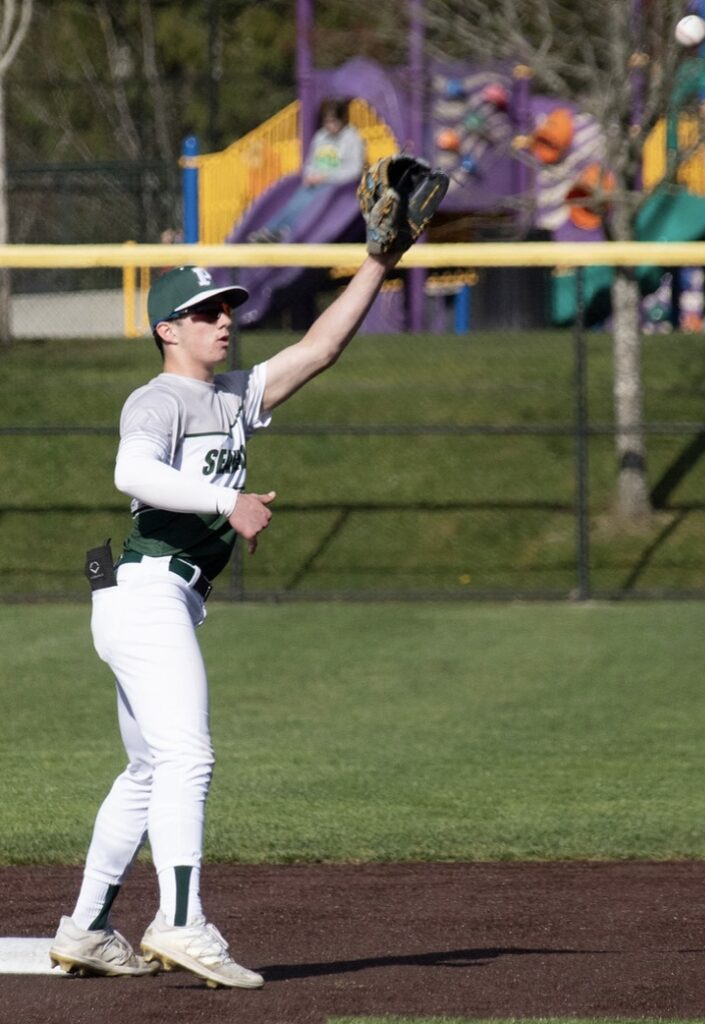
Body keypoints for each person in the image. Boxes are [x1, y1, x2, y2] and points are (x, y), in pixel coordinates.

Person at [48, 250, 401, 989]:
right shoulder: (158, 398)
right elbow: (132, 474)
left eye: (227, 308)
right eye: (206, 312)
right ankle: (180, 922)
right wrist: (225, 502)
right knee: (187, 758)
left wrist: (378, 261)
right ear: (166, 329)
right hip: (145, 593)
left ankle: (86, 929)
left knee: (150, 769)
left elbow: (320, 348)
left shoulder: (234, 396)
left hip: (146, 597)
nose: (224, 321)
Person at [248, 98, 365, 243]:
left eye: (334, 121)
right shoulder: (321, 137)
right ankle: (272, 229)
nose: (331, 125)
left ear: (342, 120)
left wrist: (326, 177)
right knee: (297, 200)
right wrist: (310, 175)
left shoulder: (352, 138)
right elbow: (311, 163)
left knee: (310, 201)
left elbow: (354, 170)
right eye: (327, 121)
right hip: (317, 181)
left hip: (338, 187)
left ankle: (287, 229)